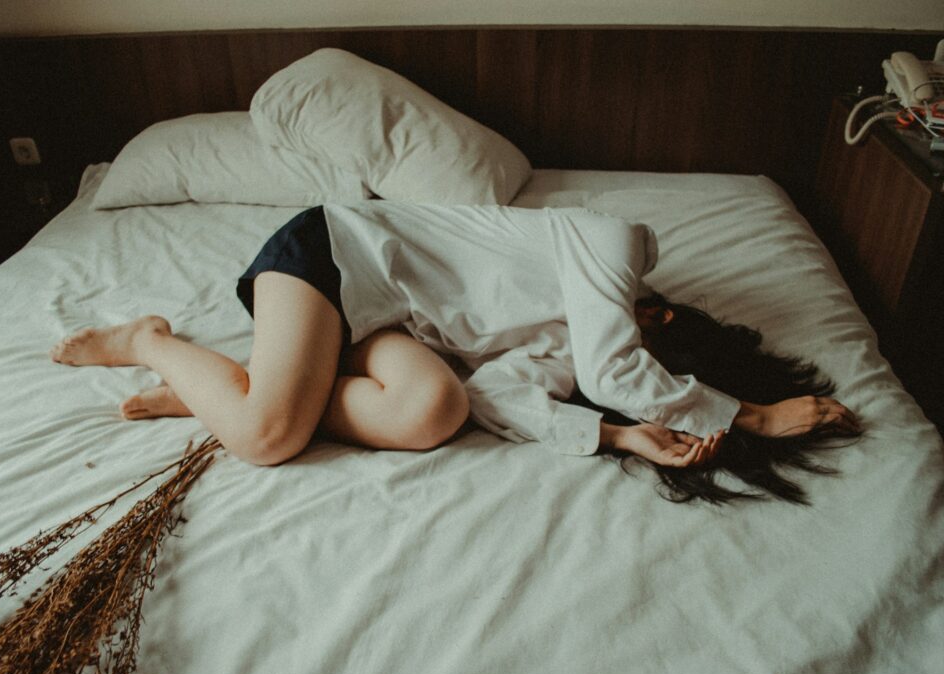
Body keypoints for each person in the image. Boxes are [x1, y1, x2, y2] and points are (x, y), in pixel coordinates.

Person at [51, 203, 858, 493]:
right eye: (658, 362)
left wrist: (617, 433)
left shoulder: (573, 354)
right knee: (269, 437)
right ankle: (153, 342)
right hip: (337, 255)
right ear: (660, 317)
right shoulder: (610, 245)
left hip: (388, 326)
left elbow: (495, 397)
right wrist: (747, 415)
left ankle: (222, 389)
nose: (630, 373)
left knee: (438, 405)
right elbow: (623, 367)